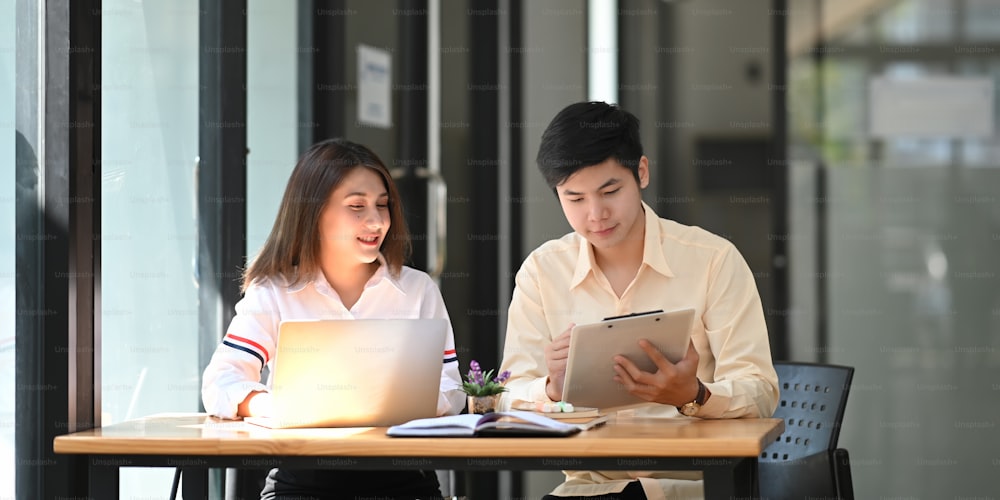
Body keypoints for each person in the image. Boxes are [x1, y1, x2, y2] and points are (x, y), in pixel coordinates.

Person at [499, 102, 779, 500]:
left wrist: (694, 395)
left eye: (610, 191)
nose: (595, 214)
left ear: (641, 172)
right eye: (574, 199)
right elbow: (504, 398)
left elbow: (761, 391)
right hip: (589, 490)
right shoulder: (542, 272)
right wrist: (550, 390)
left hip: (692, 488)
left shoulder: (712, 260)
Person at [201, 138, 464, 499]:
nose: (376, 221)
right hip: (303, 481)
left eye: (382, 205)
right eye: (357, 206)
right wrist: (271, 406)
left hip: (403, 478)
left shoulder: (417, 290)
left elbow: (451, 387)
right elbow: (220, 381)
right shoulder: (275, 291)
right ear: (313, 213)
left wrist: (391, 403)